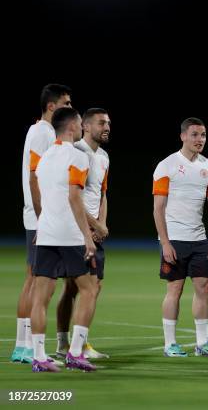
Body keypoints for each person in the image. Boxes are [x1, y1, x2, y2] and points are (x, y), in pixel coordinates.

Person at [30, 107, 98, 372]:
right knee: (89, 290)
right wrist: (87, 237)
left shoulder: (45, 157)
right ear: (72, 127)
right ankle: (75, 352)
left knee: (41, 298)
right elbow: (73, 198)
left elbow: (42, 192)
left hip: (46, 233)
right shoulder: (78, 157)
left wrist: (41, 224)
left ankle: (39, 357)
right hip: (69, 235)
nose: (82, 127)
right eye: (81, 123)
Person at [152, 117, 208, 358]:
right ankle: (170, 344)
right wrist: (164, 242)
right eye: (195, 135)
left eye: (203, 135)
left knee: (204, 288)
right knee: (174, 289)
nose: (200, 140)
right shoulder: (167, 165)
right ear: (183, 136)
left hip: (199, 238)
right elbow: (158, 207)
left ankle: (202, 344)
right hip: (174, 238)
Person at [11, 84, 72, 365]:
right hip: (40, 217)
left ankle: (24, 345)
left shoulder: (45, 132)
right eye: (66, 103)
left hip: (41, 216)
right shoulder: (41, 133)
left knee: (35, 279)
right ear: (51, 106)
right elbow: (35, 177)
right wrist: (43, 216)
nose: (70, 108)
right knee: (35, 279)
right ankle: (23, 346)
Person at [55, 108, 111, 360]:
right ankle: (67, 344)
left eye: (108, 122)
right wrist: (93, 226)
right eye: (101, 123)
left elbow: (102, 194)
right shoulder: (76, 152)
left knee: (91, 286)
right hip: (75, 229)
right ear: (86, 126)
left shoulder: (104, 157)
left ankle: (75, 343)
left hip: (94, 231)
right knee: (76, 288)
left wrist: (101, 223)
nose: (107, 127)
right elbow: (71, 196)